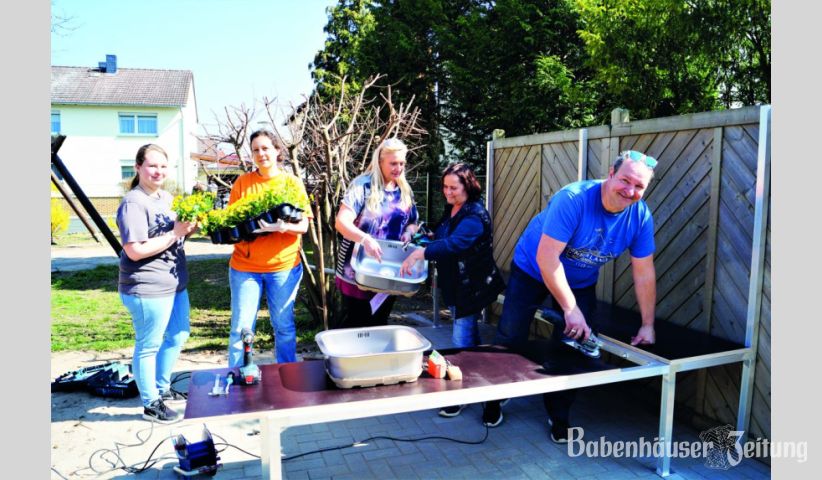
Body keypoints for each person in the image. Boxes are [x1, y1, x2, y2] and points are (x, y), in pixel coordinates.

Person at [483, 150, 659, 438]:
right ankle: (494, 398)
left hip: (580, 280)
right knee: (511, 334)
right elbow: (547, 259)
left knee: (572, 344)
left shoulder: (640, 217)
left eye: (639, 186)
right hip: (533, 269)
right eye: (625, 180)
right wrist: (569, 308)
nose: (630, 191)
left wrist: (648, 324)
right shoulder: (573, 199)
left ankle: (559, 415)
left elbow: (644, 273)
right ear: (611, 174)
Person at [400, 162, 505, 418]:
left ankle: (461, 397)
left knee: (460, 343)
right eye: (445, 187)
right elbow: (442, 235)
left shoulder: (475, 216)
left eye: (453, 188)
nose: (447, 192)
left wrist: (421, 253)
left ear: (468, 186)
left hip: (472, 287)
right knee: (472, 341)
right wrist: (422, 236)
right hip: (456, 285)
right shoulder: (453, 208)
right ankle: (493, 389)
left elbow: (455, 244)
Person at [117, 144, 197, 423]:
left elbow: (175, 236)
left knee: (178, 335)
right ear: (138, 167)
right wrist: (175, 233)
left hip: (174, 284)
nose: (158, 171)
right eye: (152, 165)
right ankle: (151, 404)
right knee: (148, 345)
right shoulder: (134, 203)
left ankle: (161, 388)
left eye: (163, 166)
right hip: (147, 287)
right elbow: (134, 250)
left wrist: (187, 230)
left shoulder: (167, 198)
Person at [227, 129, 311, 367]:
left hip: (283, 267)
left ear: (277, 150)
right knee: (241, 328)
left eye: (265, 148)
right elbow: (231, 222)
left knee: (284, 327)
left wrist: (283, 227)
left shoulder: (291, 183)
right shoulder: (243, 183)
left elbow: (304, 225)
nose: (261, 154)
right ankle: (237, 375)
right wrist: (247, 229)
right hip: (245, 268)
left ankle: (287, 373)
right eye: (255, 150)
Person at [334, 138, 419, 327]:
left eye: (402, 163)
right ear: (380, 162)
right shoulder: (362, 186)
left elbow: (413, 223)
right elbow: (341, 222)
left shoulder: (404, 190)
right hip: (356, 271)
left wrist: (408, 233)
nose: (398, 168)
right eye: (393, 163)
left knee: (379, 323)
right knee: (355, 325)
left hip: (388, 271)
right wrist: (365, 239)